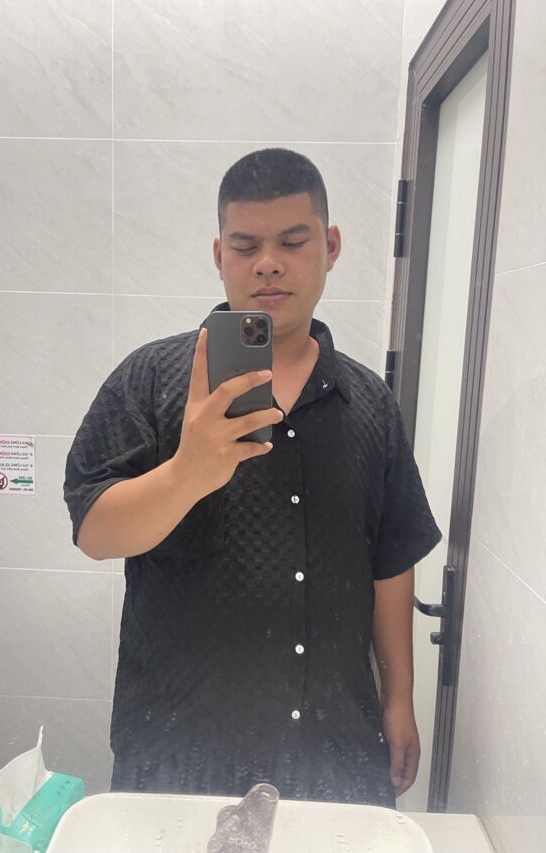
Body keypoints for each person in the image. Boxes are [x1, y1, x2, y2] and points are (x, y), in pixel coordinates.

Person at [63, 148, 441, 807]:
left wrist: (400, 697)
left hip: (334, 756)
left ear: (330, 246)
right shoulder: (149, 380)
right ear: (219, 255)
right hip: (179, 756)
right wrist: (186, 474)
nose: (268, 262)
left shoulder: (370, 404)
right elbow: (93, 531)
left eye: (292, 242)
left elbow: (391, 561)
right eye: (245, 246)